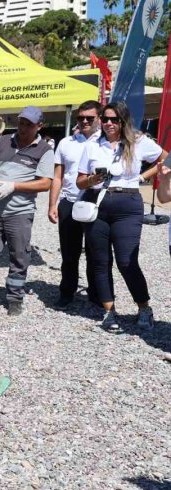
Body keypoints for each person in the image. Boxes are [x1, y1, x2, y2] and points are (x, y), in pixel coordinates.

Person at [76, 101, 167, 332]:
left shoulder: (138, 142)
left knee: (127, 260)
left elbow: (166, 159)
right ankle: (109, 311)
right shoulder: (92, 145)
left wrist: (143, 177)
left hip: (128, 204)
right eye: (105, 119)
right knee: (100, 261)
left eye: (113, 119)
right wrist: (92, 180)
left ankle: (144, 307)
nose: (108, 124)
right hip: (97, 203)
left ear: (123, 121)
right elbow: (80, 180)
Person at [0, 106, 54, 317]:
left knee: (19, 256)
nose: (23, 127)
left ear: (39, 126)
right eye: (22, 122)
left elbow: (45, 183)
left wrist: (14, 186)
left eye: (29, 124)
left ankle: (15, 297)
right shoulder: (4, 141)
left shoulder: (44, 150)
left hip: (20, 213)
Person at [49, 100, 104, 308]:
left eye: (90, 118)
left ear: (99, 118)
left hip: (97, 202)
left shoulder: (107, 142)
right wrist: (52, 204)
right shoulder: (66, 143)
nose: (84, 121)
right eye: (80, 117)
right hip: (70, 202)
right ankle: (67, 291)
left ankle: (97, 293)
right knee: (69, 253)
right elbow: (57, 176)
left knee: (96, 252)